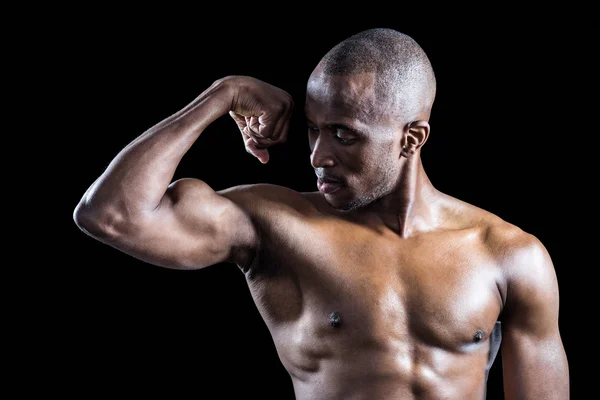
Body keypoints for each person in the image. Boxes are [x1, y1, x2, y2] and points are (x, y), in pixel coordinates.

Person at [73, 28, 569, 399]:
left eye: (344, 134)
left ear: (411, 139)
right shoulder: (274, 225)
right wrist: (222, 94)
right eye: (313, 129)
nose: (317, 156)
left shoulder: (508, 254)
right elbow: (111, 214)